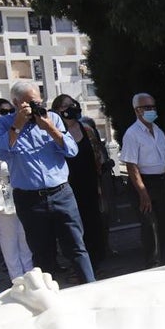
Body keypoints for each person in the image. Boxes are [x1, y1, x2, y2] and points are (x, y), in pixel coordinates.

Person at [0, 80, 95, 284]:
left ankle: (91, 289)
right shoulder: (3, 124)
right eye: (30, 103)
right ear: (16, 103)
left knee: (76, 247)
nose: (36, 107)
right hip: (30, 200)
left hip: (61, 194)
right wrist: (17, 126)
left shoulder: (53, 118)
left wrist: (49, 128)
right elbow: (1, 152)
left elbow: (72, 151)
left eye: (39, 102)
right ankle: (48, 302)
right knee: (41, 254)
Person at [121, 92, 165, 267]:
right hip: (144, 184)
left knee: (163, 223)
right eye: (147, 107)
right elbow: (131, 165)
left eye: (153, 107)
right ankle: (152, 264)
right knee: (149, 226)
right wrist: (143, 192)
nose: (151, 110)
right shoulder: (132, 134)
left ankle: (164, 259)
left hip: (162, 182)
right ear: (137, 110)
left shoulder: (158, 131)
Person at [0, 98, 33, 280]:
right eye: (3, 111)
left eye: (11, 110)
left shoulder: (18, 130)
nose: (8, 114)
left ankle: (30, 272)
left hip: (22, 186)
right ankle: (17, 277)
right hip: (1, 190)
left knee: (25, 233)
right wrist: (18, 163)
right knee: (9, 235)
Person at [52, 94, 108, 269]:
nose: (71, 108)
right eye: (66, 106)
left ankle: (97, 260)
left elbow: (98, 155)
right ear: (58, 111)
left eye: (73, 104)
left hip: (90, 182)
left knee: (94, 221)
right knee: (73, 225)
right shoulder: (55, 132)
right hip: (68, 186)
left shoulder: (87, 130)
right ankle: (77, 264)